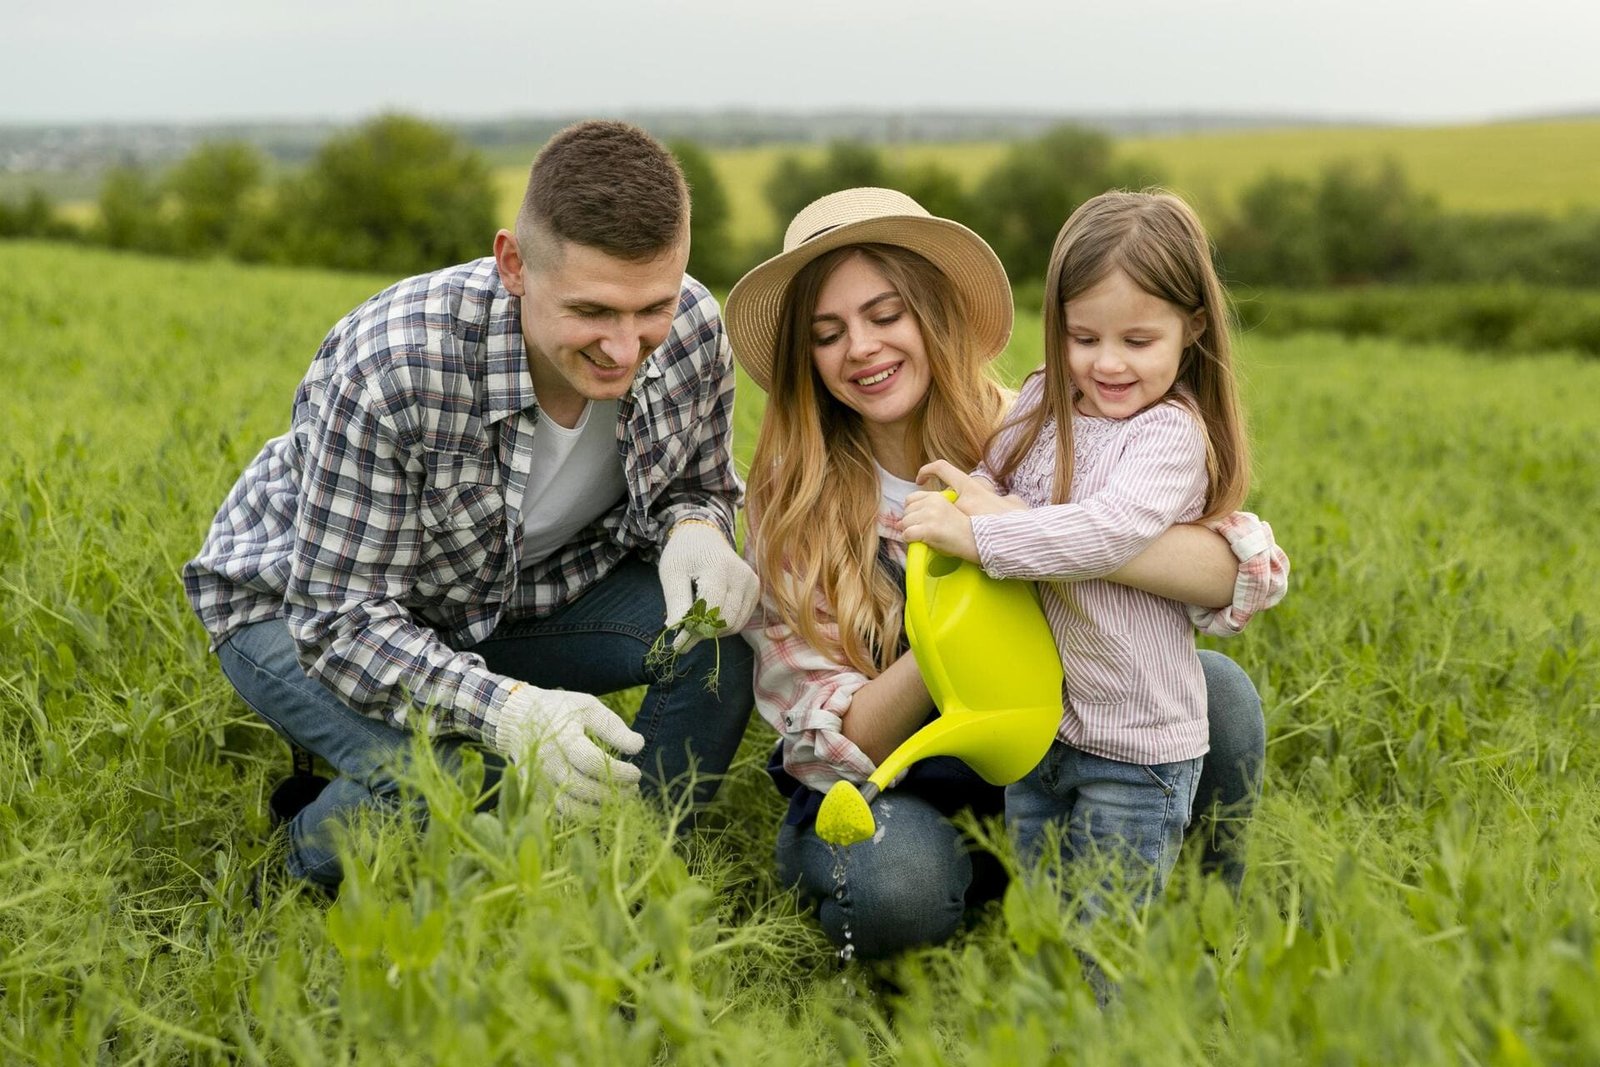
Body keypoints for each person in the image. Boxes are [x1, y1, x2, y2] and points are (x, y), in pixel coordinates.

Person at [183, 120, 759, 893]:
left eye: (649, 307)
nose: (626, 347)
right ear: (514, 265)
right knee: (463, 776)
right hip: (297, 609)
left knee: (718, 649)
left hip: (517, 593)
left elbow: (697, 482)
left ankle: (616, 882)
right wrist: (511, 710)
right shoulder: (394, 365)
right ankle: (289, 872)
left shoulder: (690, 329)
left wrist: (699, 527)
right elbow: (342, 624)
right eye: (592, 312)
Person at [724, 188, 1286, 959]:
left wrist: (1012, 530)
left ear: (933, 313)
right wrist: (958, 633)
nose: (861, 348)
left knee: (1219, 693)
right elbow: (825, 743)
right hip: (905, 787)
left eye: (886, 316)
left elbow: (1241, 566)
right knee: (894, 888)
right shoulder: (795, 509)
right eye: (828, 333)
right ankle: (969, 899)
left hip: (1064, 747)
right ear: (807, 357)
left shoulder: (1032, 426)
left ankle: (1195, 920)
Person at [903, 188, 1271, 914]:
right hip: (1044, 729)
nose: (1106, 364)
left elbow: (1109, 532)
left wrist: (980, 533)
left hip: (1136, 744)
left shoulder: (1167, 436)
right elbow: (996, 475)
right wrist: (961, 492)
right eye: (1083, 337)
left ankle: (1142, 1016)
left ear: (1191, 327)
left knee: (1104, 934)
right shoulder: (1045, 401)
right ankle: (1058, 1026)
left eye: (1138, 341)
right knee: (1046, 922)